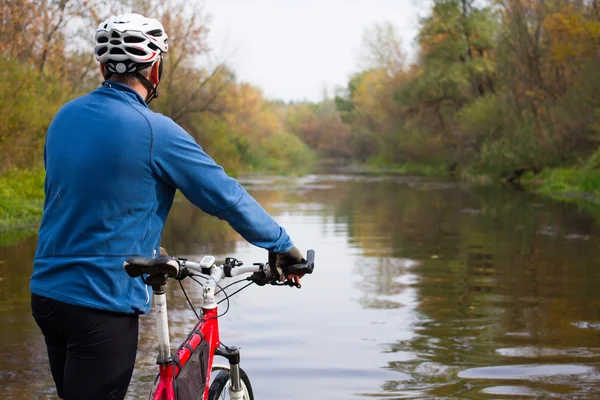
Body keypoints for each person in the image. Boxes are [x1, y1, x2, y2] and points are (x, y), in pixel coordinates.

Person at [30, 13, 304, 400]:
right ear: (153, 68)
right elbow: (225, 197)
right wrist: (282, 245)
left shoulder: (64, 118)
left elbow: (76, 193)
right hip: (101, 301)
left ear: (103, 65)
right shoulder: (154, 130)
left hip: (47, 296)